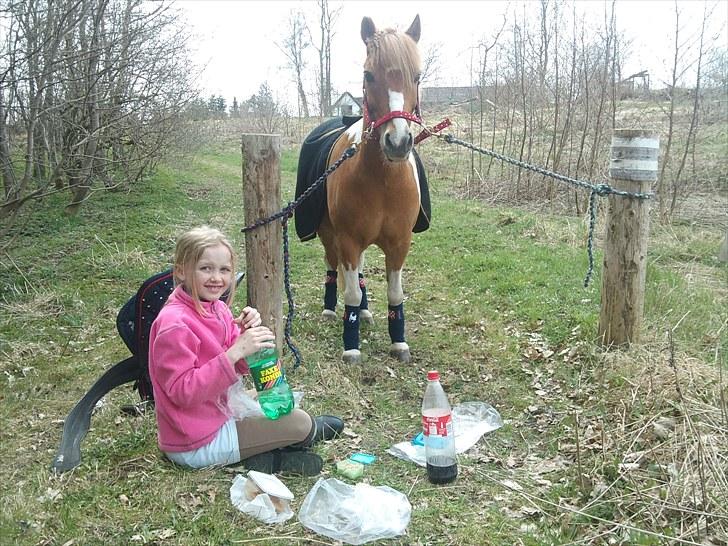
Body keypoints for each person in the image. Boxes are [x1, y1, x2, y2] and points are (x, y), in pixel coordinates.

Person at [149, 226, 343, 475]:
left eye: (224, 270)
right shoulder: (174, 324)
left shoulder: (216, 307)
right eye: (205, 268)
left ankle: (271, 451)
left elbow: (237, 367)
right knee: (300, 422)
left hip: (216, 411)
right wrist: (234, 352)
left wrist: (247, 339)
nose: (216, 278)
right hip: (195, 442)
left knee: (268, 396)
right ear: (181, 271)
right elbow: (181, 393)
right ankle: (293, 443)